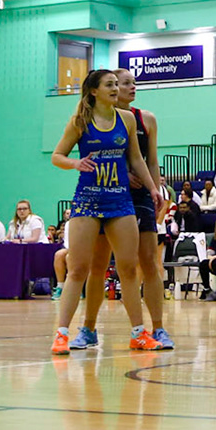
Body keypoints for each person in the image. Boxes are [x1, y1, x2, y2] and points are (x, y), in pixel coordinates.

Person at [50, 68, 159, 354]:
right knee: (78, 269)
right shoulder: (80, 121)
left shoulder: (126, 119)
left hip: (120, 201)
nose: (115, 89)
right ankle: (62, 333)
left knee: (128, 269)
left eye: (116, 84)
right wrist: (75, 164)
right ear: (94, 91)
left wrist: (153, 188)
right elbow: (56, 156)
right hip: (88, 200)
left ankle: (138, 333)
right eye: (109, 85)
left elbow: (136, 158)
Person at [75, 68, 174, 349]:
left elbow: (150, 160)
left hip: (139, 197)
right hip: (104, 194)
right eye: (121, 83)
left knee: (149, 263)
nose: (129, 87)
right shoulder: (91, 118)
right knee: (98, 264)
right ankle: (88, 328)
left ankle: (158, 329)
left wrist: (157, 192)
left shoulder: (145, 119)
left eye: (132, 83)